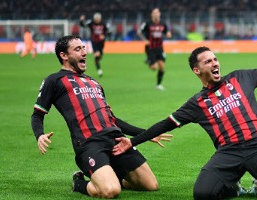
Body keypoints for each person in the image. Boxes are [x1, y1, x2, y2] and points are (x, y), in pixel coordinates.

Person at [112, 43, 257, 199]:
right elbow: (165, 124)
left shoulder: (241, 77)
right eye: (208, 61)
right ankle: (232, 188)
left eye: (215, 59)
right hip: (229, 153)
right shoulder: (197, 103)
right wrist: (133, 142)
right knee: (202, 193)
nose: (215, 63)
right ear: (197, 70)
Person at [31, 35, 172, 198]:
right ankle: (80, 183)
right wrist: (39, 135)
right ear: (64, 55)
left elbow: (112, 120)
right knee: (111, 191)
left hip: (117, 139)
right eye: (77, 49)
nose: (84, 52)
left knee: (150, 185)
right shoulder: (54, 80)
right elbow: (37, 115)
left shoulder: (94, 83)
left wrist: (146, 134)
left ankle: (109, 175)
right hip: (90, 143)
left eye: (84, 48)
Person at [137, 8, 172, 90]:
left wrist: (168, 34)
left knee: (162, 67)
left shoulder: (163, 24)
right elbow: (139, 31)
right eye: (154, 13)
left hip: (159, 48)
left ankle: (159, 85)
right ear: (152, 14)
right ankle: (149, 60)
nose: (156, 14)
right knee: (154, 68)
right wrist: (145, 40)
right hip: (150, 48)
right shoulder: (147, 23)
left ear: (159, 14)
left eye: (157, 13)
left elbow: (167, 33)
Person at [80, 12, 108, 77]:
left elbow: (109, 31)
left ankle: (98, 68)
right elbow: (83, 25)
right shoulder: (91, 23)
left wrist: (104, 35)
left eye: (98, 19)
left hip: (101, 42)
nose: (97, 20)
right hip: (94, 41)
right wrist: (81, 20)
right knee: (97, 55)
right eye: (96, 19)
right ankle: (99, 70)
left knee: (99, 57)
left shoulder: (104, 24)